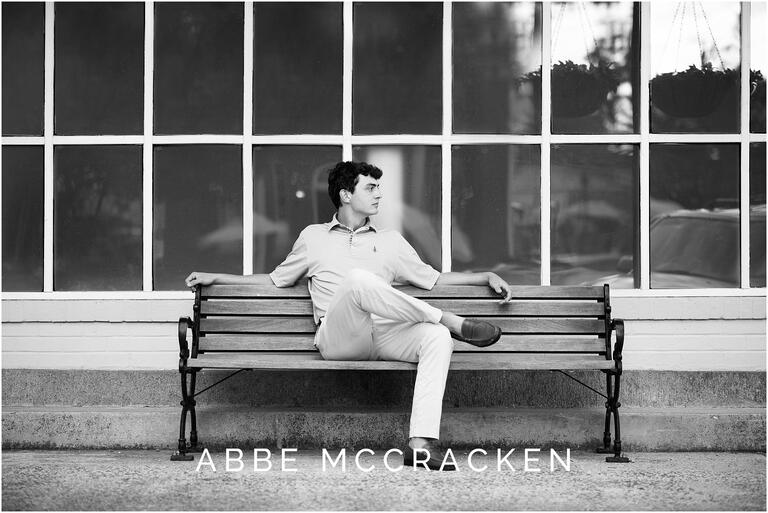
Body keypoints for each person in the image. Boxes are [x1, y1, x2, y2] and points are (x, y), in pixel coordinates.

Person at [185, 161, 512, 471]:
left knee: (436, 338)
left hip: (385, 334)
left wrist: (483, 276)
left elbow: (433, 278)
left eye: (378, 188)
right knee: (357, 280)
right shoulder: (313, 237)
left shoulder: (391, 242)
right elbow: (275, 280)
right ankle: (450, 321)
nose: (379, 194)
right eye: (370, 188)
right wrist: (217, 277)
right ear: (345, 194)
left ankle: (420, 445)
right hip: (338, 336)